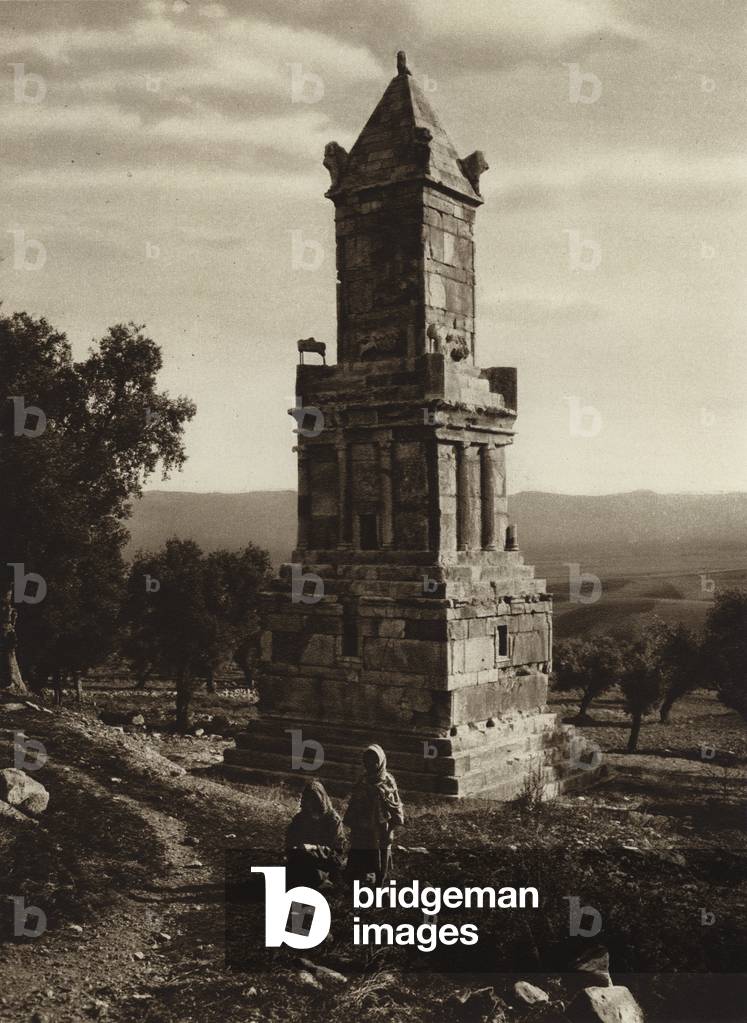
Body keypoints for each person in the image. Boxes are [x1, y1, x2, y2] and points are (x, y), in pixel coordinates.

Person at [344, 744, 404, 884]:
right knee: (360, 852)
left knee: (381, 856)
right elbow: (354, 803)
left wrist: (391, 826)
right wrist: (353, 820)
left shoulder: (387, 781)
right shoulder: (362, 781)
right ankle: (359, 880)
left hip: (381, 827)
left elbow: (395, 805)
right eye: (368, 760)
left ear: (381, 761)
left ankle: (380, 883)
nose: (371, 764)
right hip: (362, 826)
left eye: (374, 760)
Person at [285, 780, 346, 888]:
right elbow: (290, 840)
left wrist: (314, 848)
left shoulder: (332, 820)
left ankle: (325, 880)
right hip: (303, 859)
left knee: (313, 875)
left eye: (313, 800)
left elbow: (337, 851)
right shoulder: (301, 818)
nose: (310, 805)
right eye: (307, 800)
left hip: (324, 861)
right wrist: (296, 848)